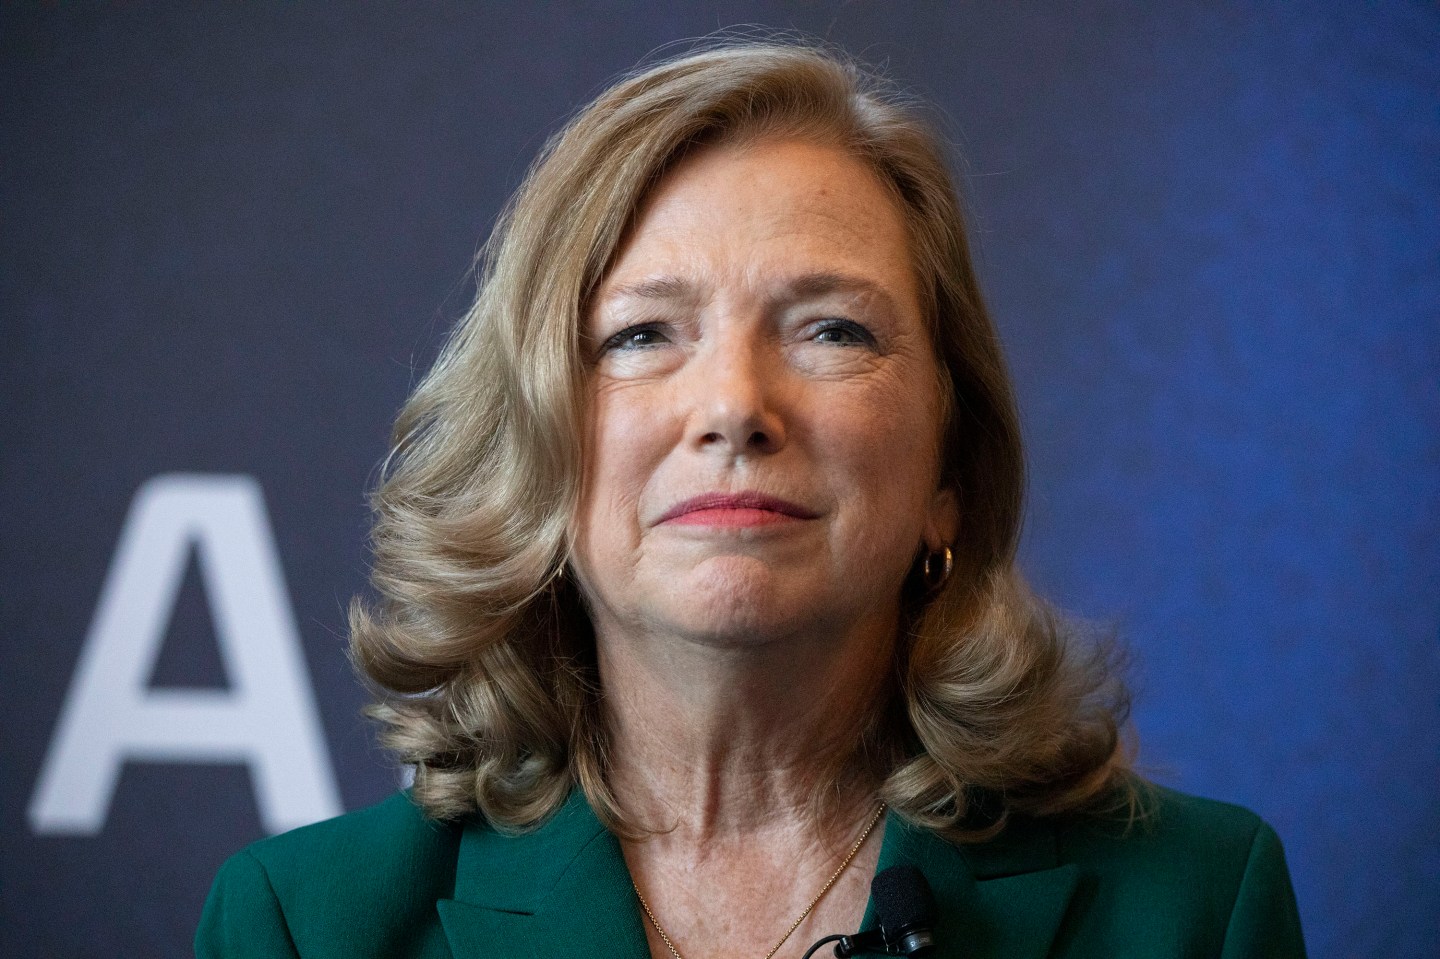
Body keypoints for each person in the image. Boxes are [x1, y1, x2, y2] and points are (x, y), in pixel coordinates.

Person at [196, 40, 1306, 959]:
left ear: (949, 473)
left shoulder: (1194, 906)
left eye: (832, 329)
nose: (733, 405)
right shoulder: (305, 927)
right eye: (642, 334)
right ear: (534, 453)